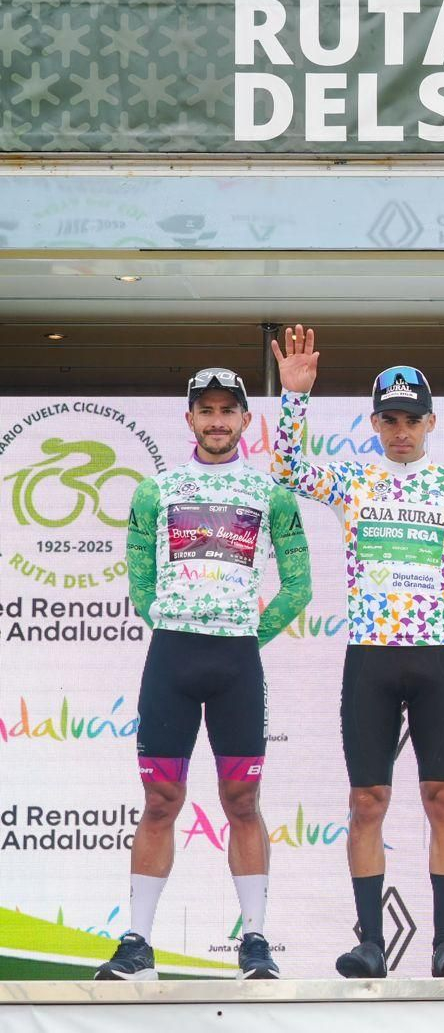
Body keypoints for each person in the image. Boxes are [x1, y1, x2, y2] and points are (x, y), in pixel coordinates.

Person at [270, 326, 444, 979]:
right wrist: (294, 397)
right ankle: (371, 941)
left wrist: (439, 620)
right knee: (367, 799)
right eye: (390, 419)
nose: (401, 430)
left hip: (435, 657)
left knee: (443, 796)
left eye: (412, 419)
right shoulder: (353, 480)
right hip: (369, 655)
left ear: (431, 422)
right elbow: (287, 469)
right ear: (373, 421)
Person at [98, 369, 311, 981]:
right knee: (160, 800)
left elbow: (298, 586)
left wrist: (245, 636)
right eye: (206, 410)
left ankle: (255, 942)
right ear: (189, 419)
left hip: (236, 663)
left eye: (228, 411)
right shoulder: (153, 491)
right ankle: (137, 944)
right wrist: (177, 623)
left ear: (246, 420)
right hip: (172, 658)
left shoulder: (271, 493)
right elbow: (141, 581)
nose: (217, 421)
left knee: (242, 800)